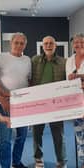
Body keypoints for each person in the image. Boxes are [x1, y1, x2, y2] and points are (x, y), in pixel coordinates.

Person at [0, 32, 32, 168]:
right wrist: (1, 98)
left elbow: (29, 81)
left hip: (23, 105)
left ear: (25, 45)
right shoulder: (1, 57)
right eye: (16, 42)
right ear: (11, 43)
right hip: (4, 104)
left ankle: (16, 162)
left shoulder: (27, 60)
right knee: (5, 140)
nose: (19, 45)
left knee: (22, 136)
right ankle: (5, 166)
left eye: (22, 43)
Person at [31, 36, 67, 168]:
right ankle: (38, 159)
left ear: (55, 45)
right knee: (37, 134)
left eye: (51, 43)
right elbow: (29, 78)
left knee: (59, 135)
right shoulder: (35, 60)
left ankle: (61, 161)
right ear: (42, 46)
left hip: (56, 105)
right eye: (46, 43)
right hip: (38, 103)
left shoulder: (64, 62)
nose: (48, 45)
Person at [66, 33, 84, 168]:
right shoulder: (70, 60)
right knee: (80, 138)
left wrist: (79, 76)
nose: (79, 45)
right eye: (76, 42)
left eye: (82, 42)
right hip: (76, 104)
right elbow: (68, 81)